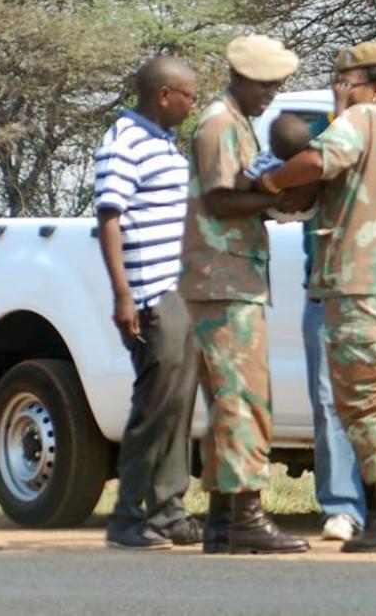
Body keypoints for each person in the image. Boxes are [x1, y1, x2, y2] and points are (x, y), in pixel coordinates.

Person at [256, 40, 376, 553]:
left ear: (375, 86)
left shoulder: (361, 121)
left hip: (360, 280)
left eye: (347, 81)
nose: (340, 89)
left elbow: (317, 162)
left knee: (363, 399)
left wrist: (270, 182)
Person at [178, 35, 309, 555]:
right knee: (243, 401)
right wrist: (274, 195)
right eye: (267, 85)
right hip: (223, 279)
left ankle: (222, 520)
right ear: (243, 78)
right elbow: (221, 197)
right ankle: (247, 516)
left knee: (228, 400)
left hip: (227, 276)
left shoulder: (234, 122)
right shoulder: (219, 124)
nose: (271, 96)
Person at [94, 55, 202, 551]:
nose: (192, 104)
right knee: (154, 408)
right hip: (150, 295)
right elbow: (110, 218)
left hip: (176, 291)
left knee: (177, 408)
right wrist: (124, 295)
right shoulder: (124, 142)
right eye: (189, 95)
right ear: (164, 94)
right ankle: (126, 517)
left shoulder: (164, 144)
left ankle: (168, 512)